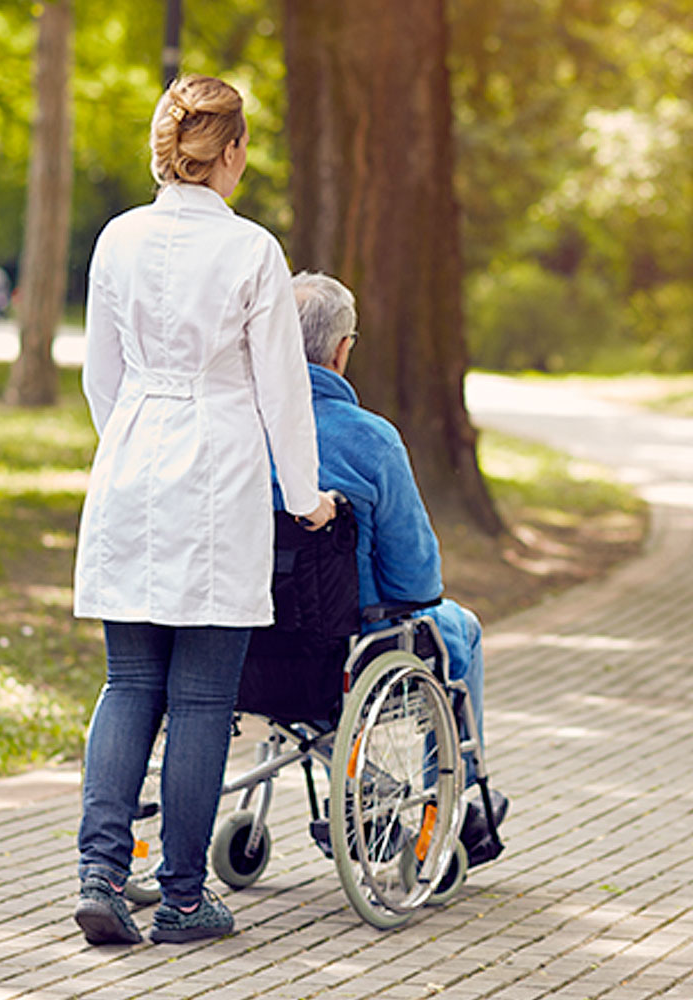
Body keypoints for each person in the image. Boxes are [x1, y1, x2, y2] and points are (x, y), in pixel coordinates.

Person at [71, 74, 334, 947]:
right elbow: (282, 393)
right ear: (230, 154)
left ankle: (102, 876)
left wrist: (134, 443)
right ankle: (184, 899)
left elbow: (100, 377)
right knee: (200, 697)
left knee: (128, 681)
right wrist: (307, 499)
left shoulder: (117, 239)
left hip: (131, 466)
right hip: (216, 477)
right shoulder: (253, 251)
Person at [287, 272, 506, 864]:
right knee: (460, 626)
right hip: (351, 647)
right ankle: (461, 802)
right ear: (341, 349)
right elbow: (416, 581)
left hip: (250, 645)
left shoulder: (237, 428)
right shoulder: (371, 441)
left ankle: (365, 784)